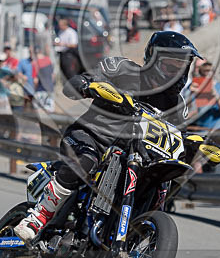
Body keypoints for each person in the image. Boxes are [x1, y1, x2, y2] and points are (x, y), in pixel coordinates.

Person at [14, 31, 204, 242]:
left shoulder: (177, 104)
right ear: (154, 60)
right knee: (86, 160)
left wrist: (197, 145)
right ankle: (39, 216)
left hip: (138, 154)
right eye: (170, 66)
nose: (175, 74)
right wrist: (88, 86)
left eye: (182, 68)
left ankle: (135, 233)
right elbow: (75, 85)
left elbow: (179, 135)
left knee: (164, 180)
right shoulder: (122, 69)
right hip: (92, 137)